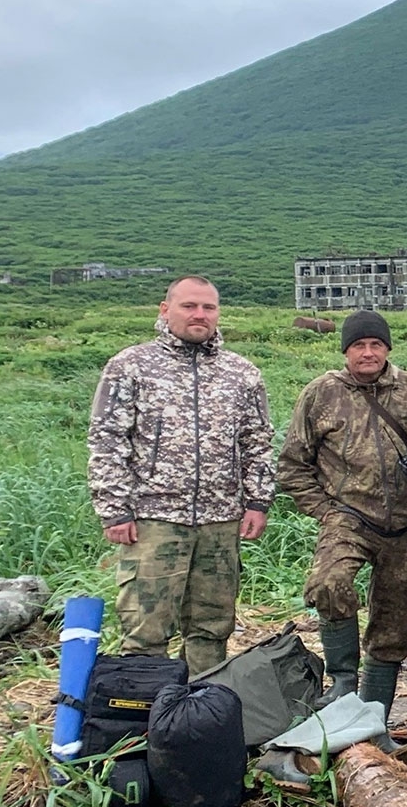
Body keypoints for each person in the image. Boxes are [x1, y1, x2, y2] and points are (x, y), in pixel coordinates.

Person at [87, 276, 275, 674]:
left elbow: (257, 441)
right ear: (165, 309)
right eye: (189, 306)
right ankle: (145, 721)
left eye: (208, 308)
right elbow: (106, 439)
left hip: (220, 519)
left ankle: (199, 718)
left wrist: (258, 501)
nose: (199, 315)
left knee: (211, 626)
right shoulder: (130, 365)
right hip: (153, 520)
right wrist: (114, 508)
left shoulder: (241, 373)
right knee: (145, 627)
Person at [276, 309, 407, 711]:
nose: (367, 353)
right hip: (349, 516)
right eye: (358, 345)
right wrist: (325, 510)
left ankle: (374, 712)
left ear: (387, 348)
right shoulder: (321, 393)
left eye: (375, 344)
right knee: (328, 583)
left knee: (396, 620)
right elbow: (293, 464)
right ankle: (342, 681)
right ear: (346, 351)